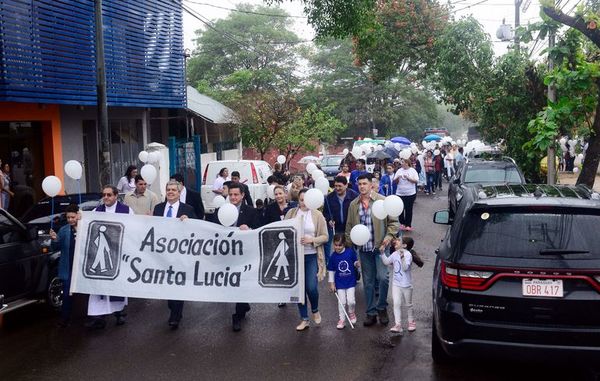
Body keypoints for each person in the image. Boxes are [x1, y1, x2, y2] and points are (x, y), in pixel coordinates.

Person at [345, 173, 399, 327]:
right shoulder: (354, 205)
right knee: (368, 282)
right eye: (359, 184)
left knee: (383, 278)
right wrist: (349, 246)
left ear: (371, 185)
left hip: (380, 248)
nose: (362, 186)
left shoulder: (382, 201)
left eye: (364, 183)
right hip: (364, 250)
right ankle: (371, 312)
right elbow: (349, 228)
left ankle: (381, 307)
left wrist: (388, 239)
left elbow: (394, 223)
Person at [87, 185, 133, 329]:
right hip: (99, 254)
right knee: (98, 286)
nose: (106, 197)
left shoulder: (126, 211)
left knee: (116, 286)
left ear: (116, 196)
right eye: (104, 195)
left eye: (109, 195)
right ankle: (98, 317)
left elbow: (133, 229)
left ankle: (119, 313)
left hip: (118, 253)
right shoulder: (96, 211)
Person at [153, 180, 197, 329]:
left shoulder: (188, 209)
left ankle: (175, 315)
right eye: (168, 190)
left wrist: (189, 222)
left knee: (177, 283)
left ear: (179, 193)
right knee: (166, 284)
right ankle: (173, 308)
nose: (170, 192)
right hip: (163, 254)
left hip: (180, 254)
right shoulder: (158, 208)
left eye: (174, 190)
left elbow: (198, 229)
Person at [285, 189, 328, 331]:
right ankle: (304, 319)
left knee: (311, 287)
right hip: (295, 257)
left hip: (311, 256)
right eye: (301, 200)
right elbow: (283, 231)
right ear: (298, 200)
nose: (303, 203)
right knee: (299, 290)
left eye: (306, 200)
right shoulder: (291, 213)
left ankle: (315, 309)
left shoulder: (317, 215)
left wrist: (312, 240)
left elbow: (325, 236)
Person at [227, 182, 261, 332]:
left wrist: (250, 229)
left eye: (236, 194)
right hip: (227, 254)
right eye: (230, 195)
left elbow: (260, 231)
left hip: (245, 254)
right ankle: (243, 304)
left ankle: (238, 315)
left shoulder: (251, 212)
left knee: (240, 282)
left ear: (242, 195)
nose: (233, 197)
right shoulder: (221, 210)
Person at [49, 204, 79, 327]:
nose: (71, 220)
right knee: (66, 294)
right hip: (68, 267)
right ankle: (65, 319)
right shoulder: (64, 230)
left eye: (73, 217)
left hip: (82, 267)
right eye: (68, 217)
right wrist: (55, 239)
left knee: (88, 294)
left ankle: (94, 318)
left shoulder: (86, 227)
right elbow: (55, 247)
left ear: (78, 215)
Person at [380, 236, 415, 333]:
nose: (396, 241)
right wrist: (382, 253)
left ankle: (411, 322)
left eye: (399, 240)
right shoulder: (394, 254)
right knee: (396, 304)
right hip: (396, 284)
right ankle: (398, 325)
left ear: (404, 245)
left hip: (406, 285)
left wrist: (402, 257)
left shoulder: (408, 255)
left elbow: (405, 268)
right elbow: (386, 262)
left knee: (408, 304)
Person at [323, 176, 358, 264]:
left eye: (340, 186)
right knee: (338, 248)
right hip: (337, 228)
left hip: (350, 228)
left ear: (346, 185)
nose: (337, 188)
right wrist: (329, 220)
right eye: (335, 186)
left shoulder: (354, 196)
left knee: (350, 249)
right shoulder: (329, 198)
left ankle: (352, 266)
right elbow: (326, 213)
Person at [327, 234, 359, 329]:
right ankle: (342, 320)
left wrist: (357, 263)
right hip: (339, 283)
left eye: (340, 245)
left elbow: (354, 261)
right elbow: (331, 271)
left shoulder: (350, 252)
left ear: (344, 244)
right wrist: (332, 283)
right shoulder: (333, 256)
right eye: (336, 245)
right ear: (333, 244)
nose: (337, 247)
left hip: (350, 281)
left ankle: (351, 312)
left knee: (351, 301)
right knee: (341, 302)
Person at [394, 158, 419, 231]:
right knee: (400, 209)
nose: (402, 164)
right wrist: (398, 177)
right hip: (400, 193)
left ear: (407, 163)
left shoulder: (412, 171)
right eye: (401, 162)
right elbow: (395, 181)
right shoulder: (399, 171)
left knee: (408, 209)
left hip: (410, 193)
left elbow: (416, 180)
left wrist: (408, 178)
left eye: (403, 162)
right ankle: (402, 223)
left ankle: (408, 225)